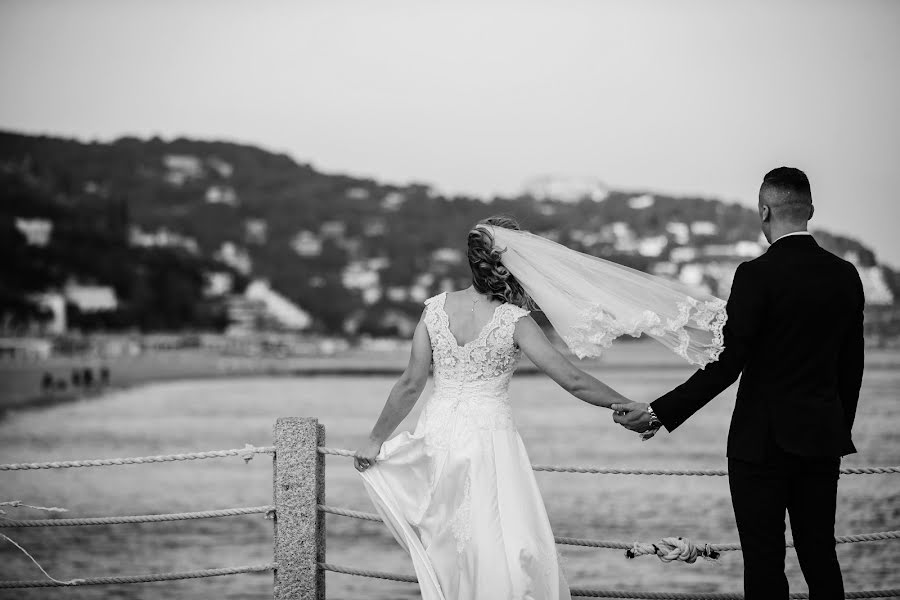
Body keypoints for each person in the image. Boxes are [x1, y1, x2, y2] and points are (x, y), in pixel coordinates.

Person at [355, 215, 728, 600]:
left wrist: (374, 440)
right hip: (488, 440)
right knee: (505, 542)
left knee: (453, 544)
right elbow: (573, 379)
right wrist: (632, 407)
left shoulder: (434, 310)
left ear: (472, 260)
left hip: (438, 436)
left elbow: (411, 383)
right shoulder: (513, 320)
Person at [611, 167, 864, 600]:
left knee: (764, 565)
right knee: (822, 559)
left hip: (759, 447)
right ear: (811, 211)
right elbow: (851, 371)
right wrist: (834, 430)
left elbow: (728, 364)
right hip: (823, 443)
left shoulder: (755, 275)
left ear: (763, 211)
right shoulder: (846, 276)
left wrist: (659, 412)